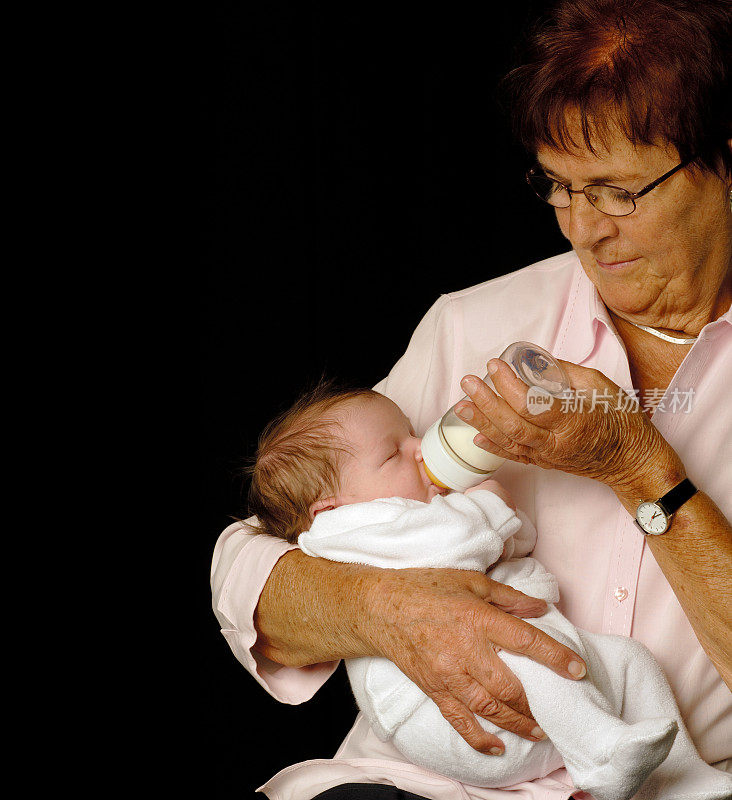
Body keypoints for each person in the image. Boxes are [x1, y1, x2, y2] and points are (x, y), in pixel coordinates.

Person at [210, 1, 732, 798]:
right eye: (559, 188)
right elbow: (254, 559)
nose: (584, 231)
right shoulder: (478, 323)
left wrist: (639, 467)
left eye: (617, 191)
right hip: (424, 782)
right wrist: (384, 607)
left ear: (724, 161)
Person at [246, 381, 730, 800]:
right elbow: (460, 541)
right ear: (330, 508)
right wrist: (490, 503)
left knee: (630, 661)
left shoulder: (391, 509)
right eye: (394, 452)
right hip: (449, 715)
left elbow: (513, 542)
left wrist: (496, 523)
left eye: (413, 432)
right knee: (530, 656)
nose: (421, 448)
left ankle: (678, 779)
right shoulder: (351, 530)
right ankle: (602, 754)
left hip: (519, 712)